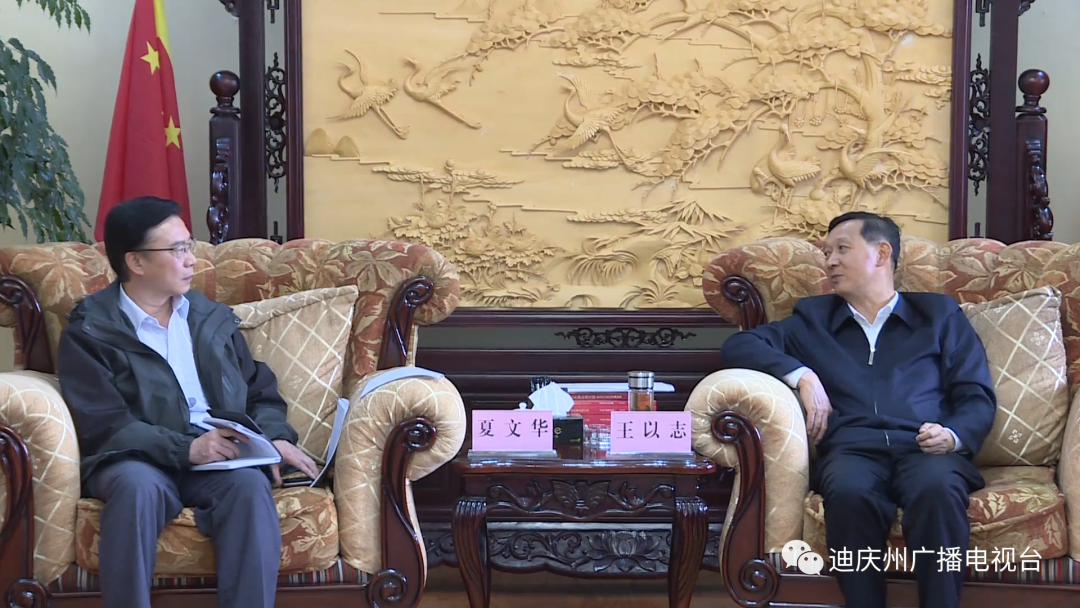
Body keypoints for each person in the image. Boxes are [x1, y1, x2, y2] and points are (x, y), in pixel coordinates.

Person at [719, 211, 997, 608]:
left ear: (881, 253)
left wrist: (952, 436)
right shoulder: (813, 319)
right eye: (827, 253)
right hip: (852, 451)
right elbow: (739, 347)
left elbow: (975, 393)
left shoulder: (938, 315)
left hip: (925, 448)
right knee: (849, 492)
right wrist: (802, 376)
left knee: (937, 490)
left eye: (841, 249)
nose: (830, 261)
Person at [55, 197, 320, 608]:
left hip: (216, 457)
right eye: (177, 249)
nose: (191, 259)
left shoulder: (208, 318)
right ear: (136, 261)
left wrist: (274, 438)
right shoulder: (91, 331)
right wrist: (186, 449)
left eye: (189, 245)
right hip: (135, 458)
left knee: (249, 487)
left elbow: (258, 390)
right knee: (137, 489)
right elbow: (103, 423)